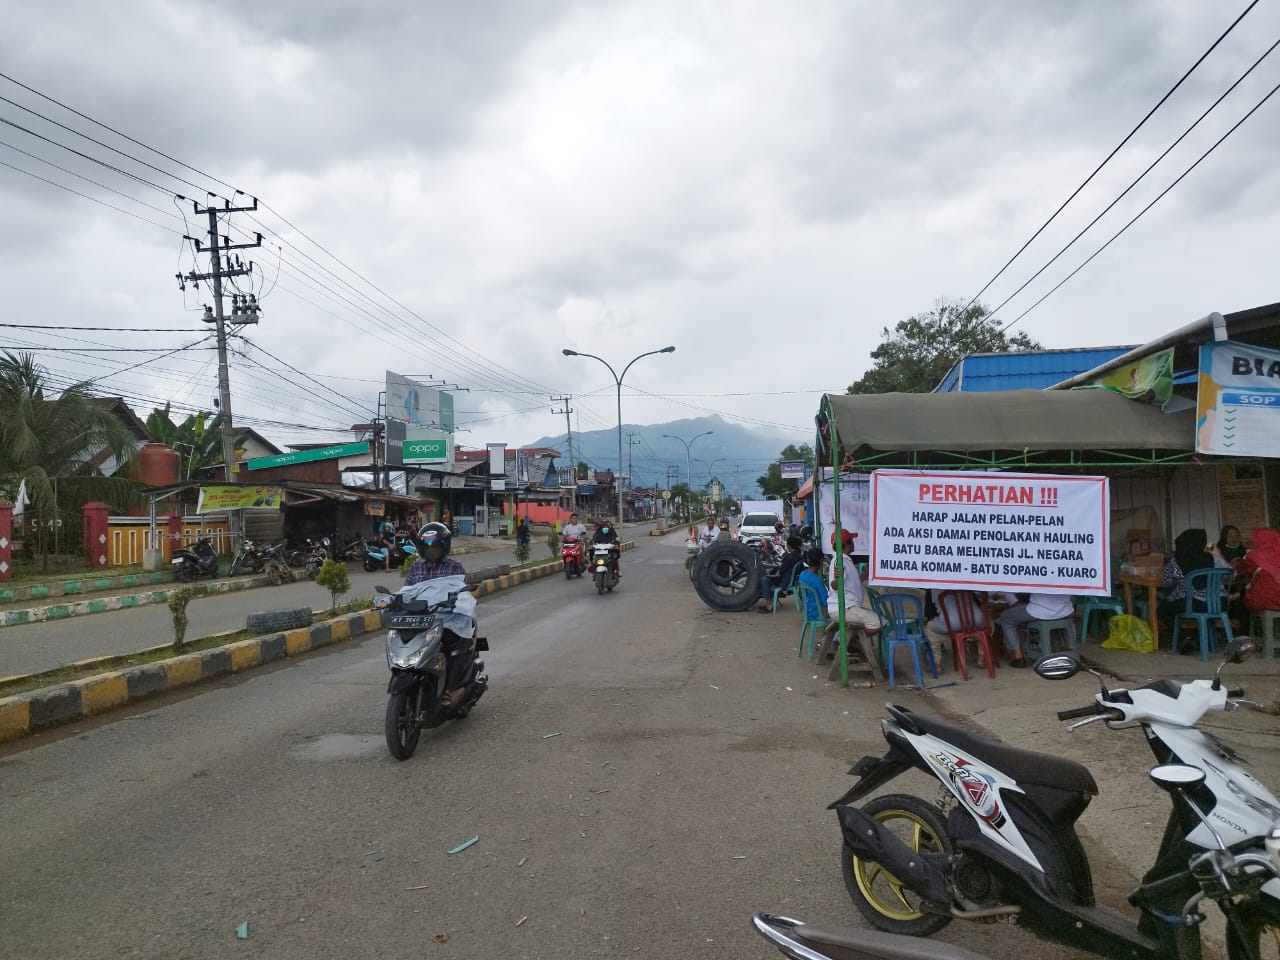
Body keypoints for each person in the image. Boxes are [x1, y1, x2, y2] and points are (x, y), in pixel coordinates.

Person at [404, 521, 471, 706]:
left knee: (457, 643)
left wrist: (456, 599)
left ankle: (455, 688)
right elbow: (408, 591)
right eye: (427, 545)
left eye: (435, 545)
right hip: (420, 621)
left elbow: (462, 590)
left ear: (444, 546)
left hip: (447, 619)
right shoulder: (416, 567)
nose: (431, 549)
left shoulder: (454, 567)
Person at [1158, 527, 1230, 652]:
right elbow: (1230, 575)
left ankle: (1185, 637)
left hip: (1193, 604)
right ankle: (1199, 639)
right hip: (1219, 603)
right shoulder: (1214, 558)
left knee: (1162, 609)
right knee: (1200, 612)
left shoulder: (1175, 561)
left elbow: (1166, 583)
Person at [822, 529, 880, 642]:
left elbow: (851, 582)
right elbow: (834, 585)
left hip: (848, 606)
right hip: (844, 608)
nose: (854, 543)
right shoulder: (840, 561)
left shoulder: (845, 560)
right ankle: (841, 640)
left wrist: (864, 574)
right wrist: (837, 579)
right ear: (847, 543)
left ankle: (844, 640)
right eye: (852, 541)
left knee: (875, 620)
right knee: (878, 622)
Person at [997, 593, 1075, 668]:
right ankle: (1072, 649)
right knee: (1068, 619)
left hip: (1038, 612)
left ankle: (1017, 655)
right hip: (1066, 611)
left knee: (1005, 618)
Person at [924, 591, 988, 670]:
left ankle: (936, 665)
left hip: (951, 625)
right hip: (977, 622)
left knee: (930, 628)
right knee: (988, 625)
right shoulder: (966, 582)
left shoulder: (932, 588)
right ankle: (981, 657)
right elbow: (979, 603)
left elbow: (930, 614)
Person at [1238, 528, 1280, 614]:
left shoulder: (1254, 556)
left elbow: (1240, 571)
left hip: (1260, 599)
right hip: (1278, 598)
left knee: (1242, 600)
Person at [758, 534, 804, 613]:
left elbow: (782, 570)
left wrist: (777, 572)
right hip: (793, 580)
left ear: (789, 546)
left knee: (765, 580)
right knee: (770, 577)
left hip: (786, 581)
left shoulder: (790, 557)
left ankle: (769, 605)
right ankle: (772, 600)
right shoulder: (799, 555)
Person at [796, 547, 829, 622]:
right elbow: (825, 602)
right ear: (821, 561)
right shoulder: (816, 580)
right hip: (818, 614)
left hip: (808, 611)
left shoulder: (803, 574)